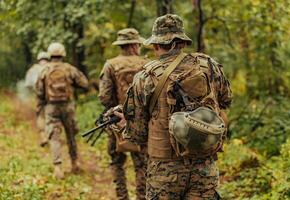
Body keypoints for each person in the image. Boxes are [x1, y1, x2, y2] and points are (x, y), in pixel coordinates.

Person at [115, 14, 232, 199]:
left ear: (155, 45)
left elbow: (138, 135)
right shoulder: (208, 65)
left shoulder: (145, 77)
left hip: (164, 171)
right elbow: (226, 100)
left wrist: (125, 123)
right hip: (204, 167)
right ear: (183, 42)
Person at [98, 28, 148, 200]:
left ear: (122, 45)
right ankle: (142, 197)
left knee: (116, 161)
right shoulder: (147, 64)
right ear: (134, 45)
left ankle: (122, 197)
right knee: (142, 164)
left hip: (116, 120)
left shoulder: (110, 65)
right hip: (142, 122)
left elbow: (104, 97)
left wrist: (116, 109)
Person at [36, 42, 88, 179]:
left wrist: (41, 106)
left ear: (50, 54)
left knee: (54, 137)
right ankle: (75, 163)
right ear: (63, 54)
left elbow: (39, 92)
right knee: (71, 135)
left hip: (51, 107)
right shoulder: (69, 69)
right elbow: (84, 83)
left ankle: (58, 168)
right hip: (68, 106)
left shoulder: (44, 70)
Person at [25, 51, 50, 147]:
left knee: (40, 115)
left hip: (39, 97)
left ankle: (43, 136)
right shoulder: (51, 67)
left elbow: (28, 85)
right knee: (51, 116)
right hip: (52, 97)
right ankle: (51, 136)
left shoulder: (33, 70)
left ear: (39, 59)